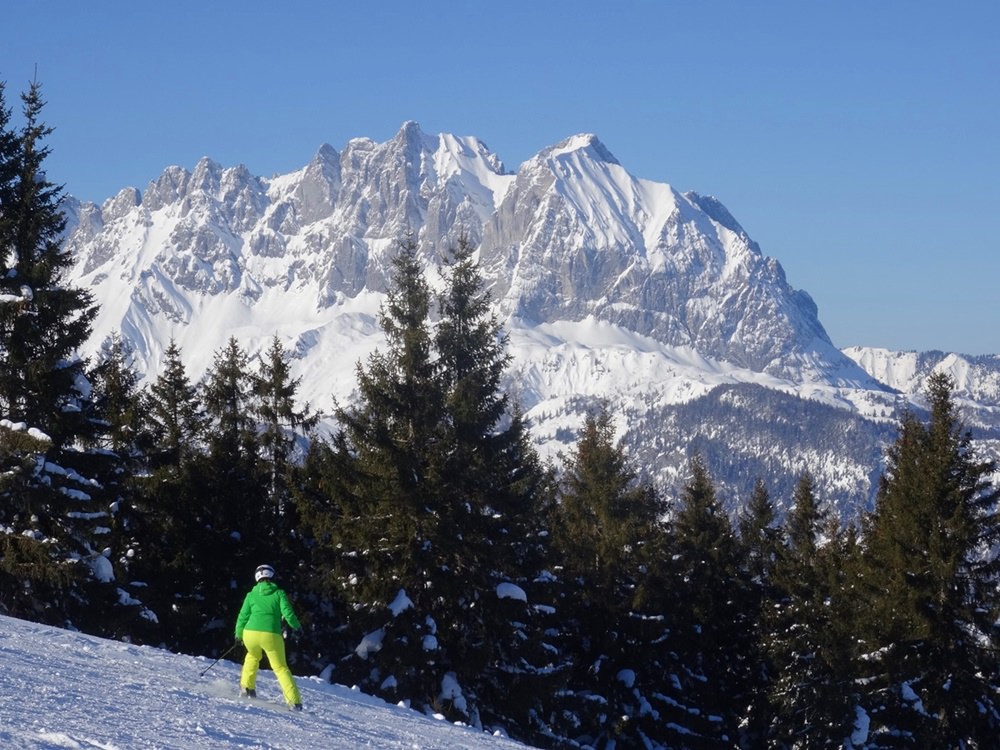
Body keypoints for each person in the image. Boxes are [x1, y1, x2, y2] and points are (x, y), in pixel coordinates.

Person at [234, 563, 304, 710]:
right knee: (280, 667)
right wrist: (296, 627)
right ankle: (294, 701)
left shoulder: (251, 594)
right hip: (271, 635)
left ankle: (246, 688)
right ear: (272, 576)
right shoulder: (279, 593)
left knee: (252, 656)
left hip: (250, 634)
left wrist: (238, 634)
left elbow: (242, 616)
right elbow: (288, 613)